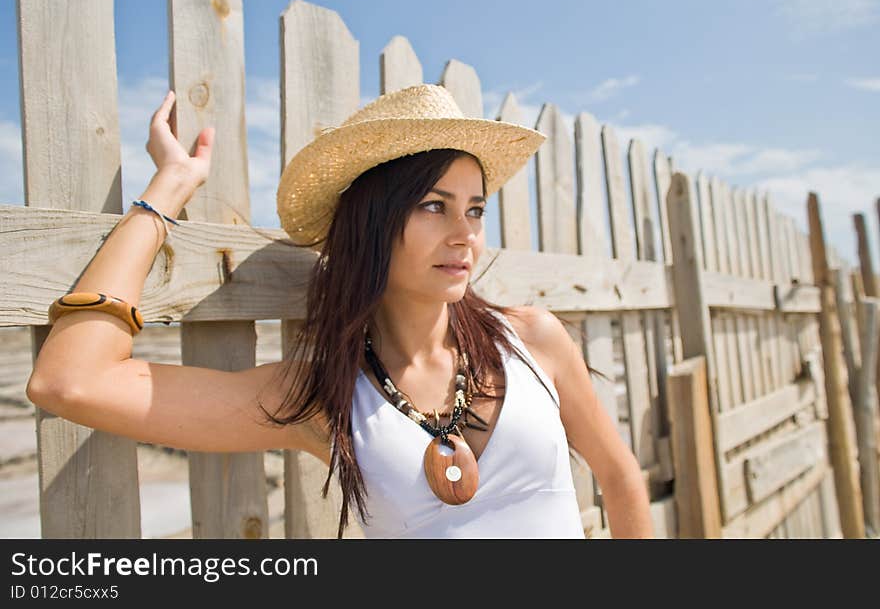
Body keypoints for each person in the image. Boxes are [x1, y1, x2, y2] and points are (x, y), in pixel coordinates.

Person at [27, 83, 653, 539]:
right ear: (372, 222)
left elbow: (621, 479)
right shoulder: (324, 397)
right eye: (434, 205)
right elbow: (69, 382)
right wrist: (167, 191)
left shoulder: (533, 341)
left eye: (475, 208)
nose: (465, 232)